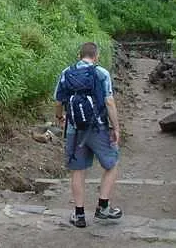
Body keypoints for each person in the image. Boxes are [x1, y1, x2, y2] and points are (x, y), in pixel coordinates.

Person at [54, 41, 123, 228]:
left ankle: (79, 215)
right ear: (96, 56)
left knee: (78, 170)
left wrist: (59, 117)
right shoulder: (101, 73)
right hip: (98, 127)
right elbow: (109, 102)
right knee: (112, 163)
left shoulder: (66, 72)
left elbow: (59, 100)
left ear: (79, 55)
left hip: (74, 129)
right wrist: (115, 127)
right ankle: (103, 207)